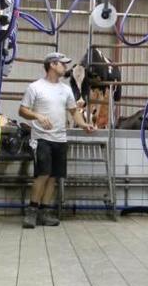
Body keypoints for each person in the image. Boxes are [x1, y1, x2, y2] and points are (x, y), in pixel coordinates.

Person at [19, 52, 94, 228]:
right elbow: (22, 110)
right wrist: (37, 115)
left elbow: (74, 112)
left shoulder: (66, 89)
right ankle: (31, 212)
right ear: (52, 64)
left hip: (60, 139)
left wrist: (84, 125)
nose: (65, 67)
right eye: (63, 64)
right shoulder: (35, 87)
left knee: (53, 177)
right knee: (42, 175)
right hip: (41, 138)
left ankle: (45, 212)